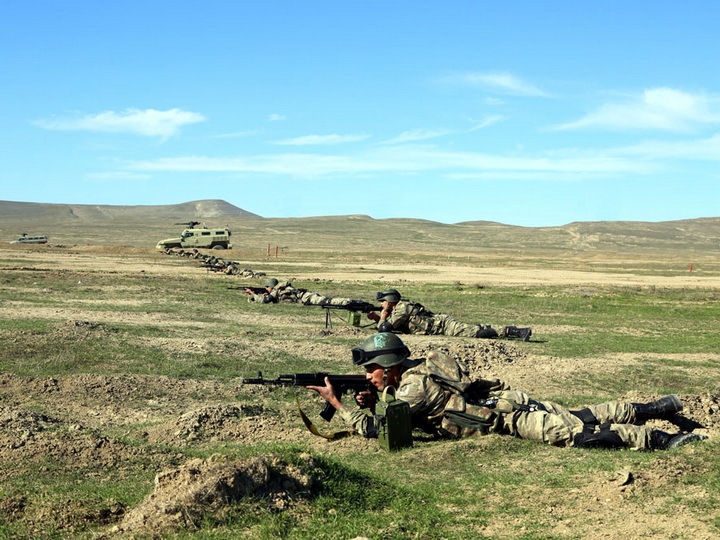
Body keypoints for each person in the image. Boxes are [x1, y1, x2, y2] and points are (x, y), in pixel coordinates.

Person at [306, 333, 708, 451]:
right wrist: (374, 397)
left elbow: (381, 432)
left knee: (575, 435)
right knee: (581, 414)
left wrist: (339, 405)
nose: (370, 376)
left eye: (373, 370)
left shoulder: (410, 389)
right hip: (508, 401)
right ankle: (656, 407)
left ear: (390, 366)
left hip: (509, 417)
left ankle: (662, 439)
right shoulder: (419, 370)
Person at [367, 288, 532, 341]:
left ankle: (517, 332)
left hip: (444, 327)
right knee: (477, 329)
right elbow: (392, 326)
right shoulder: (399, 309)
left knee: (477, 333)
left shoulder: (401, 308)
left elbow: (384, 329)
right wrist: (377, 318)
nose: (381, 304)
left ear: (389, 301)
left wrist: (382, 315)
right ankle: (515, 331)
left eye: (383, 302)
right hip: (440, 325)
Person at [244, 277, 359, 307]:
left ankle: (350, 302)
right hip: (306, 296)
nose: (267, 289)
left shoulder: (276, 290)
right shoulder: (278, 290)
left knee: (329, 301)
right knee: (328, 301)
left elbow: (265, 301)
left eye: (267, 287)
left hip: (307, 297)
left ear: (271, 286)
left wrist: (252, 294)